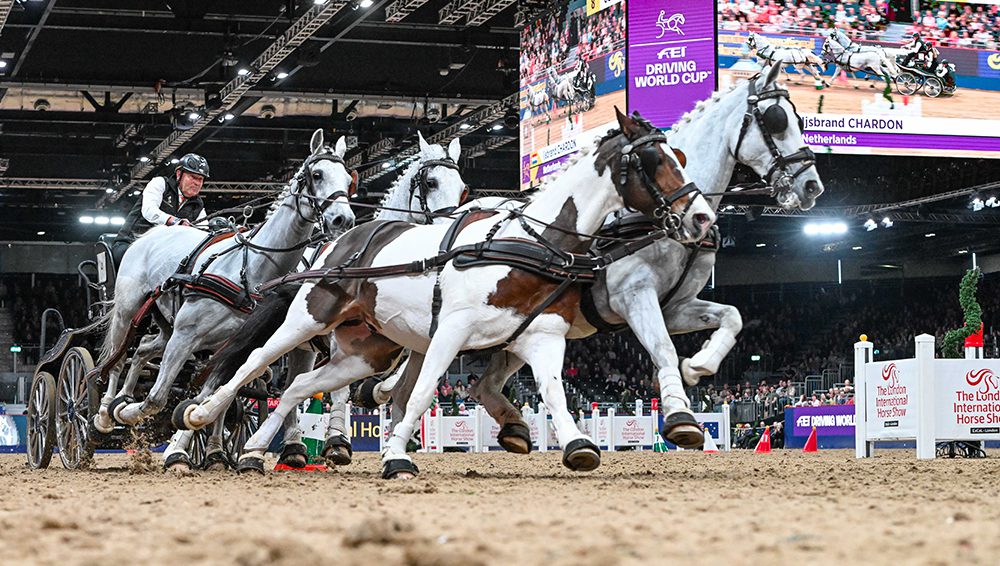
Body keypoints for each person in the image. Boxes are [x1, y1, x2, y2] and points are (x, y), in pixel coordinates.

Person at [111, 153, 210, 268]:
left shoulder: (198, 205)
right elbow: (149, 211)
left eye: (200, 179)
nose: (197, 183)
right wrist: (175, 222)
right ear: (179, 174)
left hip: (163, 252)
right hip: (131, 243)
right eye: (193, 177)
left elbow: (204, 232)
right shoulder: (160, 183)